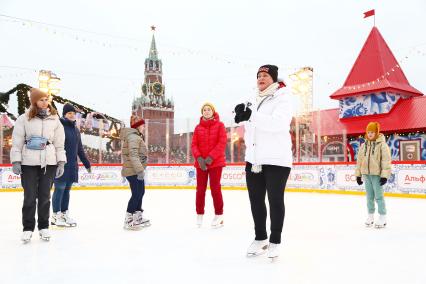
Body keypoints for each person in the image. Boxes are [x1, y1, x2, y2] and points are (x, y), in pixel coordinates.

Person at [234, 65, 293, 259]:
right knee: (256, 200)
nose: (261, 78)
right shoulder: (252, 99)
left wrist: (252, 115)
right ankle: (260, 238)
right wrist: (239, 114)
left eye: (265, 75)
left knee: (275, 200)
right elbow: (244, 121)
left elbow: (278, 123)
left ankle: (275, 240)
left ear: (274, 79)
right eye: (259, 75)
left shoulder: (282, 97)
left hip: (277, 159)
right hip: (254, 159)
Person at [10, 88, 66, 243]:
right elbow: (17, 141)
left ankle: (43, 227)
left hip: (49, 162)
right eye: (41, 99)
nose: (45, 102)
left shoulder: (55, 119)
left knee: (44, 196)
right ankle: (28, 228)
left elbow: (60, 143)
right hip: (29, 161)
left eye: (46, 99)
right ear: (34, 101)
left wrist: (61, 161)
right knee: (29, 197)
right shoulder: (24, 118)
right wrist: (16, 160)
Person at [51, 103, 91, 227]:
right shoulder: (59, 127)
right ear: (64, 114)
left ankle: (64, 213)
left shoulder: (76, 130)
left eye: (73, 113)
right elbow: (54, 146)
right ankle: (55, 215)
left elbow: (79, 149)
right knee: (59, 189)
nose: (72, 115)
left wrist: (86, 163)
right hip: (60, 164)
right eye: (69, 113)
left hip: (72, 165)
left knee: (67, 190)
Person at [191, 102, 227, 228]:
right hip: (201, 164)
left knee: (215, 189)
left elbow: (222, 143)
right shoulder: (197, 128)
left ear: (213, 111)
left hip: (215, 163)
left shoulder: (220, 125)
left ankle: (219, 215)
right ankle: (199, 214)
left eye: (209, 109)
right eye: (204, 110)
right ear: (202, 112)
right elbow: (194, 145)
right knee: (200, 190)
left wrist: (210, 157)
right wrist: (200, 158)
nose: (206, 111)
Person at [355, 122, 391, 229]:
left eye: (372, 132)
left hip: (377, 175)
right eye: (368, 132)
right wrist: (358, 174)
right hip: (366, 175)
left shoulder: (382, 145)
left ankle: (382, 217)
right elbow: (359, 160)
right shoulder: (363, 145)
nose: (370, 134)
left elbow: (386, 160)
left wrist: (384, 175)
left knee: (379, 197)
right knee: (369, 197)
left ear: (376, 132)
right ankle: (370, 216)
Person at [120, 115, 150, 230]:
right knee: (136, 193)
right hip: (133, 170)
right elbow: (133, 155)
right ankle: (128, 219)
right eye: (142, 125)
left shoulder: (136, 136)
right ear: (137, 126)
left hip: (135, 170)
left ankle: (137, 216)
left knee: (141, 192)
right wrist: (140, 170)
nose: (144, 127)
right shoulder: (133, 137)